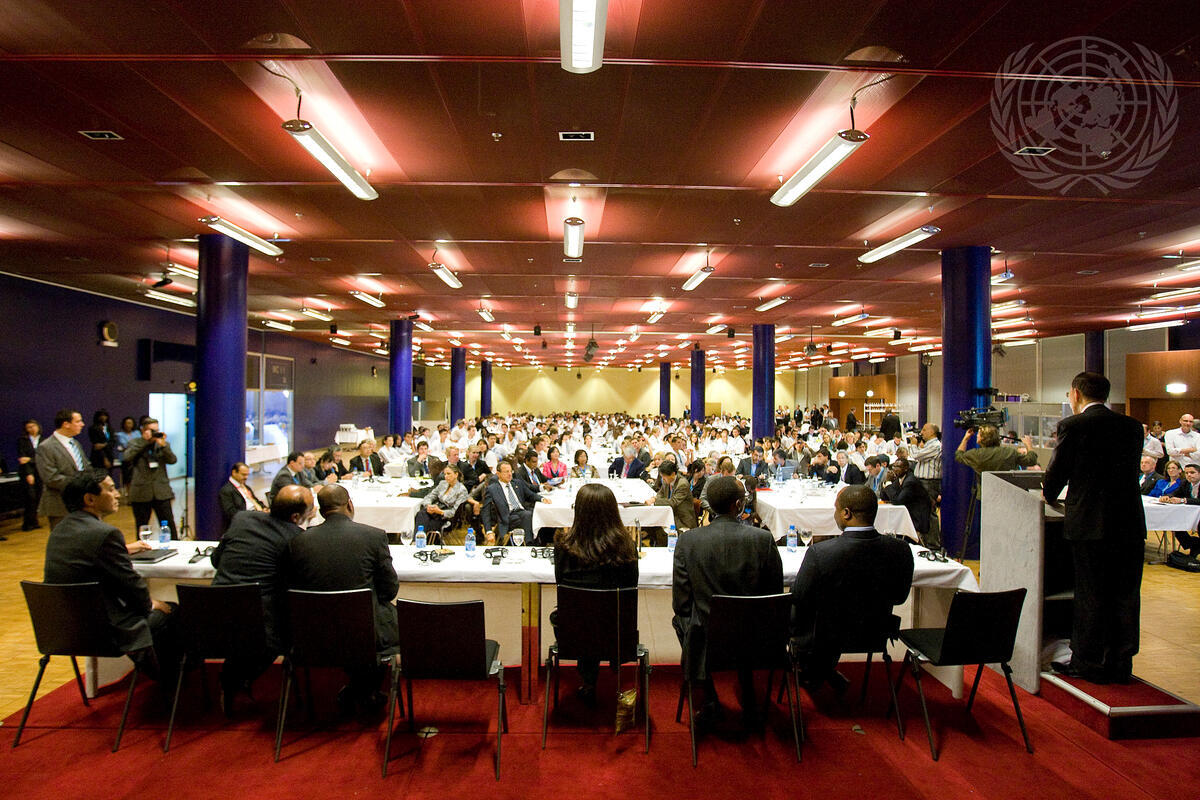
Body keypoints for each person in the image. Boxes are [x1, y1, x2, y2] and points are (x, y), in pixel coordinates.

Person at [1042, 371, 1145, 685]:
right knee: (1126, 594)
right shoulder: (1132, 427)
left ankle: (1087, 662)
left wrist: (1049, 492)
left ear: (1076, 393)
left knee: (1091, 594)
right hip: (1128, 523)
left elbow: (1056, 475)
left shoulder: (1073, 426)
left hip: (1090, 524)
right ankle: (1121, 660)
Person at [44, 470, 178, 680]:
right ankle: (171, 679)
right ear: (90, 499)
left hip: (64, 629)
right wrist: (151, 604)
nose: (117, 494)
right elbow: (132, 585)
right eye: (111, 489)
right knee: (170, 610)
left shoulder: (59, 530)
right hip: (104, 631)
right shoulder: (105, 534)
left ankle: (160, 675)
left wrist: (123, 549)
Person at [672, 476, 783, 728]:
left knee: (683, 621)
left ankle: (707, 693)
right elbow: (774, 596)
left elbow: (681, 603)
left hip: (708, 638)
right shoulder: (763, 540)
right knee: (742, 619)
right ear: (738, 505)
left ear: (710, 504)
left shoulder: (689, 541)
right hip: (757, 638)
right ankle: (747, 689)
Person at [287, 484, 399, 715]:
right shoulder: (374, 536)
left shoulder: (298, 541)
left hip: (314, 633)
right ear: (350, 504)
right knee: (386, 616)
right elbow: (390, 589)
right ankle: (365, 689)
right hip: (366, 632)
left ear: (320, 511)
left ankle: (357, 687)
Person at [790, 485, 913, 691]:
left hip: (822, 636)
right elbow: (900, 596)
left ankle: (814, 668)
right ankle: (822, 669)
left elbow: (800, 598)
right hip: (874, 632)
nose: (835, 514)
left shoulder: (821, 553)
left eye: (836, 509)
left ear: (846, 513)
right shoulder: (900, 549)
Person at [211, 485, 314, 711]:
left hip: (212, 619)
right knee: (289, 631)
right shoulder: (296, 538)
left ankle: (232, 679)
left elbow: (216, 561)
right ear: (296, 517)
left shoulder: (242, 519)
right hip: (260, 628)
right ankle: (235, 680)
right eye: (311, 509)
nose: (314, 511)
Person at [551, 483, 639, 704]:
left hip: (575, 635)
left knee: (578, 613)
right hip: (618, 634)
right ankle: (611, 664)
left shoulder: (564, 548)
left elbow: (561, 585)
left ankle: (589, 679)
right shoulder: (627, 547)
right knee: (601, 613)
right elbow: (631, 585)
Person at [122, 417, 179, 539]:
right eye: (152, 430)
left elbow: (172, 460)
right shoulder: (135, 443)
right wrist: (145, 441)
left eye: (157, 430)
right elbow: (127, 457)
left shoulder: (162, 444)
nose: (155, 433)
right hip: (141, 492)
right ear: (143, 430)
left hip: (161, 492)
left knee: (169, 525)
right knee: (142, 526)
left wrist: (164, 446)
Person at [36, 409, 88, 530]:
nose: (82, 424)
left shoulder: (75, 443)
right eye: (78, 421)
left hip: (80, 502)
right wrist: (79, 483)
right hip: (59, 504)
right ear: (66, 424)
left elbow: (85, 467)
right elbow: (50, 478)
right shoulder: (46, 447)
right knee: (64, 539)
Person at [484, 460, 547, 544]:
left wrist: (542, 499)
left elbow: (530, 494)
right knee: (528, 515)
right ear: (498, 474)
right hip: (507, 517)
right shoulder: (492, 489)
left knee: (539, 514)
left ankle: (543, 542)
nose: (510, 474)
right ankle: (529, 543)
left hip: (521, 512)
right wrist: (488, 531)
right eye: (506, 472)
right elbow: (486, 510)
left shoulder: (517, 483)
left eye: (511, 471)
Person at [880, 457, 933, 547]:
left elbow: (898, 501)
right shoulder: (899, 478)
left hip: (917, 517)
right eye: (894, 467)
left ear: (906, 468)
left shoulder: (910, 481)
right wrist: (886, 481)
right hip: (906, 513)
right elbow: (884, 497)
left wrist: (889, 484)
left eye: (898, 467)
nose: (895, 469)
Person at [413, 463, 469, 540]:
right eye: (445, 474)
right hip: (435, 510)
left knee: (428, 524)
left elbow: (455, 512)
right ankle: (417, 541)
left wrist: (440, 511)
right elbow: (429, 496)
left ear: (456, 475)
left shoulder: (462, 490)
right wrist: (428, 505)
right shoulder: (442, 483)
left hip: (447, 517)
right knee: (421, 514)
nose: (446, 476)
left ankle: (420, 542)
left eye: (448, 474)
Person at [955, 425, 1037, 472]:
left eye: (979, 434)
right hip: (1006, 493)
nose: (977, 435)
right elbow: (1031, 460)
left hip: (985, 493)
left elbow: (959, 455)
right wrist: (1028, 444)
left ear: (983, 438)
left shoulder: (976, 455)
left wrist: (965, 438)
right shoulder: (1009, 452)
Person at [218, 461, 267, 532]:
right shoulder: (226, 491)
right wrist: (254, 515)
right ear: (234, 472)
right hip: (246, 521)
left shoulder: (246, 487)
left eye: (247, 475)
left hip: (256, 515)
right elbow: (231, 513)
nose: (246, 477)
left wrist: (264, 508)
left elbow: (255, 500)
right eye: (243, 475)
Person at [652, 459, 698, 530]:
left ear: (673, 474)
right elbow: (660, 493)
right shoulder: (667, 480)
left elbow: (673, 502)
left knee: (657, 526)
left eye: (664, 476)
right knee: (652, 524)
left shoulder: (682, 484)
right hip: (670, 515)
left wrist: (655, 501)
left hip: (682, 520)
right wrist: (655, 498)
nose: (663, 478)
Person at [17, 419, 42, 532]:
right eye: (29, 427)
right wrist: (29, 473)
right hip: (28, 473)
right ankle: (27, 523)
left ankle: (34, 521)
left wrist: (31, 459)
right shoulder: (22, 441)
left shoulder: (43, 440)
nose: (32, 429)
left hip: (40, 472)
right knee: (30, 498)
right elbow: (23, 459)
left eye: (33, 426)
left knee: (38, 497)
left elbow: (43, 458)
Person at [113, 416, 137, 491]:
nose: (128, 425)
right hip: (126, 459)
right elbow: (125, 445)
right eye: (127, 423)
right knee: (128, 478)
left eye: (130, 423)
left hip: (137, 458)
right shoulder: (120, 435)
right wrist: (136, 445)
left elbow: (141, 443)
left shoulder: (137, 433)